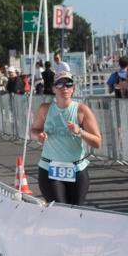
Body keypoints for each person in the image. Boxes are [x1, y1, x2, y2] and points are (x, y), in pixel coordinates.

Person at [30, 72, 102, 206]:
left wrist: (80, 131)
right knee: (58, 210)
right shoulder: (45, 109)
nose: (65, 88)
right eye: (60, 84)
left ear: (73, 89)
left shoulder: (82, 110)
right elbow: (33, 131)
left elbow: (97, 142)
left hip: (76, 169)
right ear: (53, 88)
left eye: (68, 85)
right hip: (50, 168)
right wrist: (38, 136)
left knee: (76, 211)